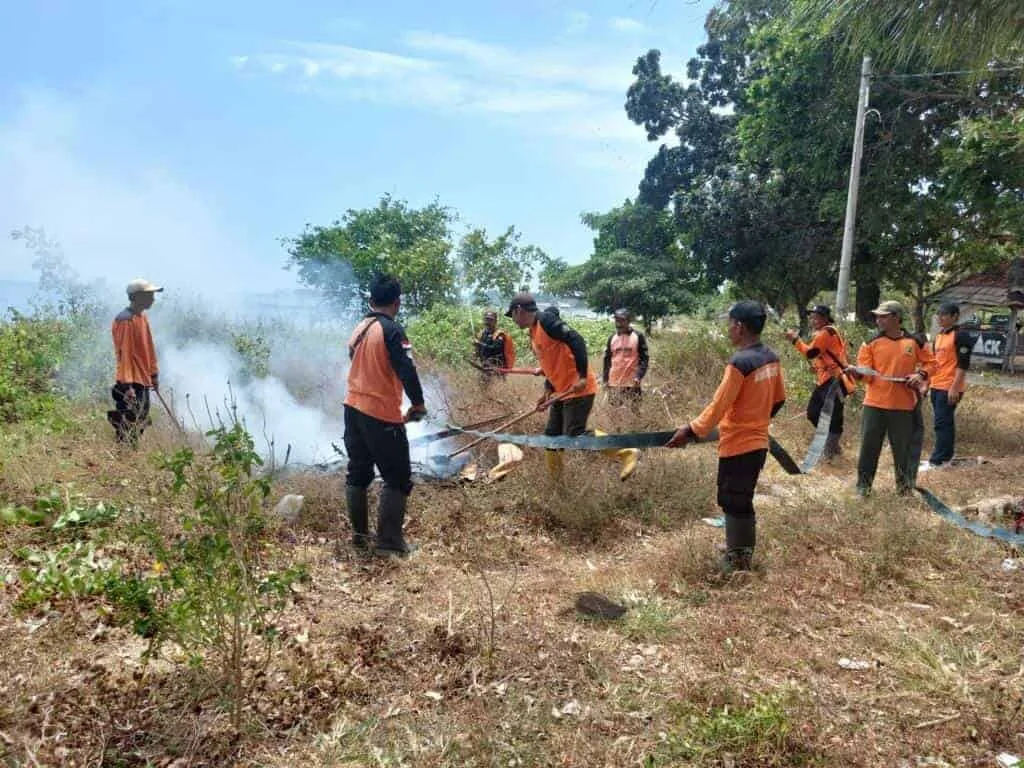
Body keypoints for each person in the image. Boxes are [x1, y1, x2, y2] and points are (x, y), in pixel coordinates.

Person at [667, 301, 786, 572]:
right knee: (740, 496)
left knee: (734, 499)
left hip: (739, 445)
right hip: (758, 442)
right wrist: (757, 420)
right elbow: (779, 399)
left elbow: (718, 406)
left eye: (730, 324)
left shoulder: (740, 362)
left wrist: (690, 430)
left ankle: (739, 559)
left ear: (740, 327)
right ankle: (737, 546)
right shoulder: (771, 357)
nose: (728, 329)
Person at [505, 292, 639, 481]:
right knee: (551, 439)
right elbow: (551, 363)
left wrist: (583, 376)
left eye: (512, 315)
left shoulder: (546, 321)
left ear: (519, 310)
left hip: (578, 389)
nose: (513, 320)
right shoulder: (533, 332)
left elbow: (577, 340)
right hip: (562, 391)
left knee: (574, 434)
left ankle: (625, 452)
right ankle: (557, 485)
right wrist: (547, 391)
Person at [343, 274, 427, 557]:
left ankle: (359, 539)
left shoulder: (360, 327)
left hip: (352, 409)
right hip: (380, 415)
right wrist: (418, 405)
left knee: (358, 473)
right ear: (397, 302)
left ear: (370, 300)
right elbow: (407, 369)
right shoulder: (393, 330)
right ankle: (389, 545)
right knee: (398, 478)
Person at [846, 300, 936, 496]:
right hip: (874, 405)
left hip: (903, 406)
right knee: (869, 448)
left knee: (903, 450)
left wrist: (920, 375)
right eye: (877, 316)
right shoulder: (870, 342)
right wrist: (857, 374)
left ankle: (904, 490)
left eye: (883, 316)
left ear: (896, 317)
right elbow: (867, 375)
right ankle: (863, 488)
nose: (879, 320)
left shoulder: (916, 341)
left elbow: (932, 363)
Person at [784, 305, 852, 460]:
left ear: (826, 318)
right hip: (826, 379)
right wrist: (818, 367)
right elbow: (823, 355)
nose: (813, 320)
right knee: (813, 413)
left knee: (832, 415)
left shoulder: (826, 332)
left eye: (816, 317)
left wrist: (794, 339)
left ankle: (830, 451)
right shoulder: (827, 332)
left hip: (833, 380)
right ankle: (832, 445)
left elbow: (810, 353)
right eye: (812, 317)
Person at [108, 279, 162, 446]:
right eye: (149, 295)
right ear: (137, 297)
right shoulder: (125, 320)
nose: (153, 299)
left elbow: (149, 348)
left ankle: (131, 455)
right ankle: (124, 456)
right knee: (128, 422)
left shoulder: (142, 318)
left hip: (143, 379)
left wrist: (154, 374)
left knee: (140, 419)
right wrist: (127, 386)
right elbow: (125, 354)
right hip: (131, 382)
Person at [927, 301, 973, 467]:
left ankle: (940, 459)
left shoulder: (961, 335)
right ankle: (945, 454)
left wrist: (954, 388)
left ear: (955, 317)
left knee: (942, 422)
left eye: (944, 314)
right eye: (938, 314)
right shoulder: (939, 336)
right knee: (942, 421)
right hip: (936, 385)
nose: (940, 317)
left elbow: (963, 364)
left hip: (950, 386)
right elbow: (935, 363)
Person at [602, 309, 649, 410]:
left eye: (622, 321)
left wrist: (639, 376)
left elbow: (644, 359)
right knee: (615, 413)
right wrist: (605, 379)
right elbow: (607, 360)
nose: (619, 324)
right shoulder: (612, 338)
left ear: (628, 321)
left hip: (632, 382)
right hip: (614, 382)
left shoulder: (638, 336)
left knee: (635, 411)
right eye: (617, 321)